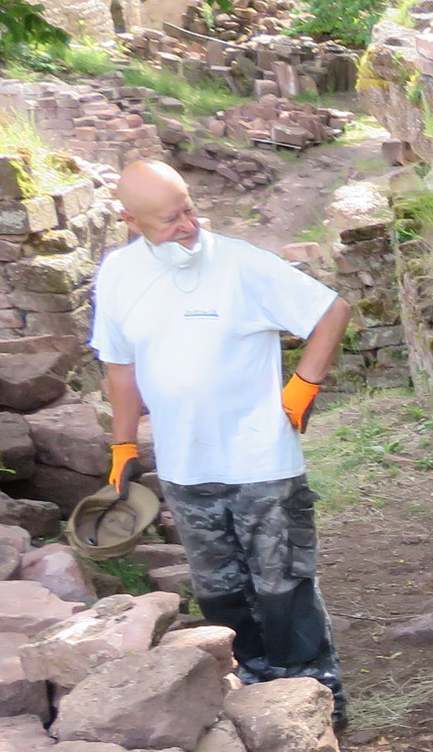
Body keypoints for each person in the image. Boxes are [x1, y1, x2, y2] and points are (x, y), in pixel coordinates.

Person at [90, 160, 352, 720]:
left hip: (262, 460)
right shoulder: (118, 274)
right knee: (219, 590)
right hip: (185, 465)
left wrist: (304, 384)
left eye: (188, 209)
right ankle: (254, 692)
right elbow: (120, 366)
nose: (187, 225)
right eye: (169, 220)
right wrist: (123, 445)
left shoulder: (240, 264)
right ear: (130, 220)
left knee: (283, 584)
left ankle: (318, 699)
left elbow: (331, 310)